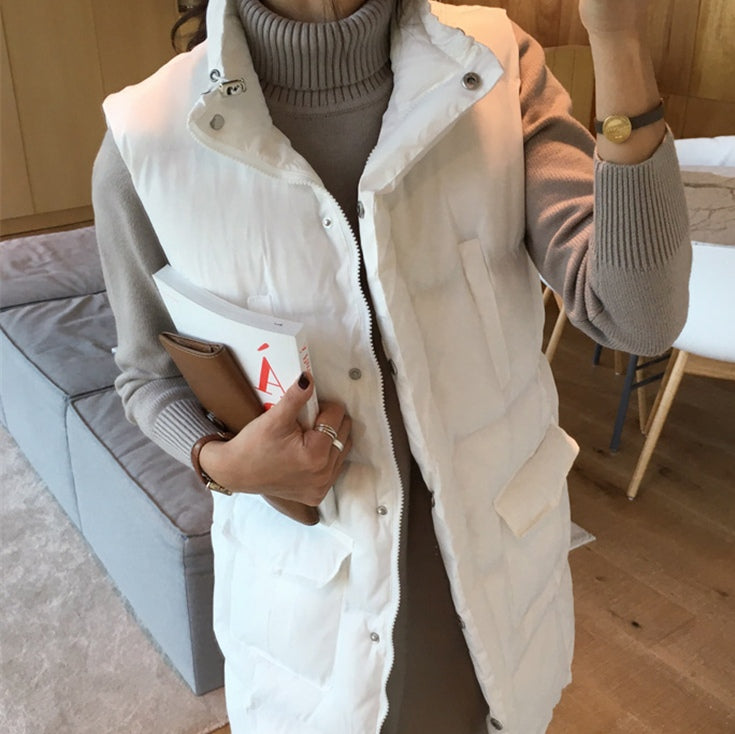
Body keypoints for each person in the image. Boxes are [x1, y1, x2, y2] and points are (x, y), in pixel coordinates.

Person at [91, 0, 691, 731]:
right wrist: (221, 463)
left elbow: (638, 316)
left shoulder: (494, 66)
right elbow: (145, 375)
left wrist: (617, 36)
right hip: (310, 616)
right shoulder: (146, 139)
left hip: (494, 582)